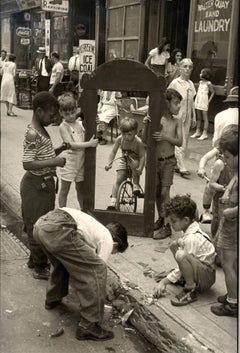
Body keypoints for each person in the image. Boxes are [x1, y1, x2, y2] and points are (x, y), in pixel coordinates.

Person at [33, 207, 128, 340]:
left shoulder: (93, 227)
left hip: (41, 225)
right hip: (58, 228)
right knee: (98, 269)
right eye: (115, 252)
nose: (112, 252)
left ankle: (53, 299)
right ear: (116, 244)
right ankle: (88, 326)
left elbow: (80, 261)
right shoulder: (107, 239)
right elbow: (96, 272)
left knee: (62, 263)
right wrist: (102, 294)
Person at [20, 92, 68, 280]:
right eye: (51, 115)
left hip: (44, 185)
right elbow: (27, 163)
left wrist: (59, 150)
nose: (54, 119)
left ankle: (34, 260)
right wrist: (55, 162)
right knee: (37, 226)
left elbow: (41, 156)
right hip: (35, 186)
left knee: (39, 223)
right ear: (39, 111)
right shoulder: (33, 133)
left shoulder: (41, 130)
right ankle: (40, 267)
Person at [153, 194, 216, 306]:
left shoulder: (192, 238)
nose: (171, 225)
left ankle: (190, 289)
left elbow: (183, 259)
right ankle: (186, 278)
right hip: (200, 269)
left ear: (186, 220)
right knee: (174, 245)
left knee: (181, 255)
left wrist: (164, 282)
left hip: (206, 278)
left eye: (173, 221)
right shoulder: (189, 229)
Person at [142, 88, 183, 238]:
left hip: (169, 162)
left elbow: (179, 141)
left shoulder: (177, 121)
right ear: (166, 104)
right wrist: (146, 124)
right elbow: (145, 140)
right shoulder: (156, 119)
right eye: (176, 103)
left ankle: (167, 226)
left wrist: (165, 136)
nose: (179, 106)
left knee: (165, 193)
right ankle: (161, 218)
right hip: (154, 161)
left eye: (179, 103)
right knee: (156, 192)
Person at [197, 87, 238, 223]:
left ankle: (207, 212)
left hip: (226, 156)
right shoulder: (221, 155)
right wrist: (202, 167)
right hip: (224, 158)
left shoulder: (220, 115)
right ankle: (207, 211)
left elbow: (214, 142)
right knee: (211, 185)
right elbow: (210, 153)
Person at [210, 126, 238, 317]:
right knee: (233, 264)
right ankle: (232, 294)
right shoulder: (236, 172)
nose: (225, 161)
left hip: (232, 224)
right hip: (230, 223)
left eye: (228, 157)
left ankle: (232, 304)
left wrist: (230, 212)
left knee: (228, 264)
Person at [58, 93, 98, 209]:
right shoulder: (63, 126)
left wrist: (95, 122)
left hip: (81, 161)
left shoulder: (80, 124)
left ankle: (83, 210)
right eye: (67, 114)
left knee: (80, 188)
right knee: (65, 189)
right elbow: (70, 144)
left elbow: (91, 133)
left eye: (73, 112)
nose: (71, 116)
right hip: (70, 161)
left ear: (77, 109)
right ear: (61, 113)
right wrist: (89, 144)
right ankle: (62, 211)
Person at [105, 117, 146, 210]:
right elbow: (113, 152)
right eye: (123, 134)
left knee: (135, 164)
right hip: (124, 161)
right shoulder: (120, 139)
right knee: (119, 179)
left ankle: (135, 185)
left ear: (135, 132)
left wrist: (141, 168)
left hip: (135, 161)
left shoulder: (138, 142)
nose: (126, 137)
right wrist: (109, 163)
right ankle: (113, 201)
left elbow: (143, 156)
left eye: (129, 134)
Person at [168, 58, 196, 176]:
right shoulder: (175, 83)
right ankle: (181, 166)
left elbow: (192, 101)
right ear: (180, 68)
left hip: (187, 115)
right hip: (178, 114)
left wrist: (194, 116)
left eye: (190, 67)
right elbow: (168, 96)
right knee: (179, 138)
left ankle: (176, 163)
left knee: (185, 140)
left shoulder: (191, 84)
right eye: (185, 66)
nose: (187, 69)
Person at [191, 68, 214, 140]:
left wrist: (209, 101)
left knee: (205, 117)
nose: (200, 74)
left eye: (201, 73)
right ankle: (197, 131)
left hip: (204, 101)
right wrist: (195, 100)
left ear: (205, 74)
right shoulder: (200, 82)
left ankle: (205, 133)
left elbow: (213, 92)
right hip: (198, 100)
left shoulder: (208, 83)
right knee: (199, 117)